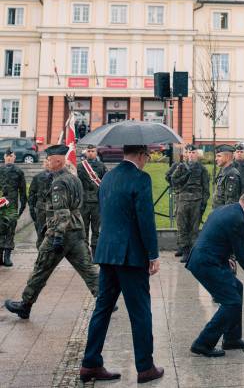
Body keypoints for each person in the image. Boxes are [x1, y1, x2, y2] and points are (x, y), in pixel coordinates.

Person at [80, 145, 163, 384]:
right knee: (140, 312)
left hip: (107, 252)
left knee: (102, 309)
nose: (146, 161)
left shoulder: (107, 177)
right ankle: (145, 367)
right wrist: (153, 254)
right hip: (131, 255)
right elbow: (145, 219)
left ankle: (90, 363)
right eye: (146, 156)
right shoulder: (140, 178)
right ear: (140, 155)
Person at [4, 144, 98, 319]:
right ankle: (105, 301)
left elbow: (61, 212)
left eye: (48, 160)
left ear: (57, 161)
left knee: (41, 268)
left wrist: (57, 236)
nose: (46, 162)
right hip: (77, 231)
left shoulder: (58, 183)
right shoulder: (74, 179)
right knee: (88, 269)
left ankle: (25, 305)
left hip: (60, 233)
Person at [186, 190, 244, 357]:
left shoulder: (224, 210)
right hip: (206, 263)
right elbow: (243, 257)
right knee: (231, 302)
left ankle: (232, 338)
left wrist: (224, 255)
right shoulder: (239, 220)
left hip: (205, 258)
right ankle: (203, 343)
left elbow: (216, 236)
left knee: (237, 288)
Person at [170, 144, 210, 263]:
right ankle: (185, 250)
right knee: (182, 227)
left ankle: (193, 251)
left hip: (196, 201)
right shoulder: (181, 167)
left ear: (197, 154)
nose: (191, 155)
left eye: (193, 153)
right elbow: (173, 180)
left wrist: (203, 204)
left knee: (194, 228)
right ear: (186, 154)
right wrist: (184, 177)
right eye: (189, 153)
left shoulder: (202, 169)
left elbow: (205, 188)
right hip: (182, 200)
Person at [77, 146, 108, 258]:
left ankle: (96, 254)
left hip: (97, 202)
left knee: (96, 229)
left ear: (96, 152)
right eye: (88, 151)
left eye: (92, 151)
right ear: (86, 152)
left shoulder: (102, 166)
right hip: (84, 202)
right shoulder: (80, 167)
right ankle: (85, 255)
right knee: (83, 229)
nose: (90, 153)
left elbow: (106, 183)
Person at [0, 149, 27, 267]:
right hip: (1, 205)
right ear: (4, 157)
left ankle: (7, 257)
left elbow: (22, 191)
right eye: (7, 156)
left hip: (12, 206)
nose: (9, 158)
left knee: (10, 231)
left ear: (14, 158)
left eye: (11, 156)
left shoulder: (19, 172)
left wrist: (22, 208)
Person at [28, 157, 53, 248]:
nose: (47, 164)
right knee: (40, 233)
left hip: (53, 209)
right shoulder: (37, 177)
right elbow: (32, 194)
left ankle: (50, 256)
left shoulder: (57, 177)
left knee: (52, 233)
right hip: (40, 209)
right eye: (45, 162)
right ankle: (41, 256)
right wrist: (31, 208)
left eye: (49, 161)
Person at [166, 146, 186, 257]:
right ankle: (181, 246)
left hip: (190, 199)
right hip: (179, 196)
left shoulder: (191, 166)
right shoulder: (176, 165)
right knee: (180, 222)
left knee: (187, 225)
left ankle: (186, 248)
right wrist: (174, 185)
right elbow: (168, 176)